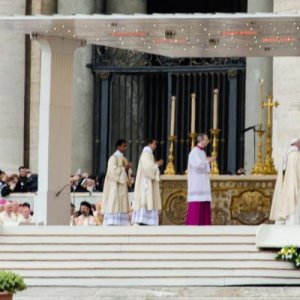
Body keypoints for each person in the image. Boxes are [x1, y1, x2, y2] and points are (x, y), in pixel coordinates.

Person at [131, 139, 163, 226]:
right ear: (149, 144)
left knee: (149, 200)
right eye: (154, 144)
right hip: (146, 183)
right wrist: (157, 165)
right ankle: (143, 220)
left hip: (149, 182)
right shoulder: (146, 154)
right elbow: (148, 168)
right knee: (145, 200)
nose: (155, 146)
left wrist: (155, 164)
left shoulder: (149, 154)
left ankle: (148, 220)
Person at [186, 133, 215, 226]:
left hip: (203, 183)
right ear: (201, 140)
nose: (207, 142)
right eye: (206, 140)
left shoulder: (202, 152)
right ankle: (193, 225)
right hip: (197, 183)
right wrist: (208, 160)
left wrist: (207, 160)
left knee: (204, 203)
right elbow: (198, 166)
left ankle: (204, 225)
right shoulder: (194, 152)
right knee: (196, 204)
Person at [101, 139, 132, 226]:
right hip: (114, 186)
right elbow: (112, 171)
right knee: (113, 202)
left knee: (122, 203)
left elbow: (127, 173)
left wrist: (128, 170)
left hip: (122, 187)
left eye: (126, 146)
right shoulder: (113, 158)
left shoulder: (124, 159)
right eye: (123, 146)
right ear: (118, 146)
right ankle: (112, 221)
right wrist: (124, 169)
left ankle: (121, 222)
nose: (125, 148)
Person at [270, 138, 300, 225]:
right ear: (297, 144)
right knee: (294, 207)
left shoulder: (285, 156)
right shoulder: (296, 155)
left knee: (284, 204)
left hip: (285, 186)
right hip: (295, 186)